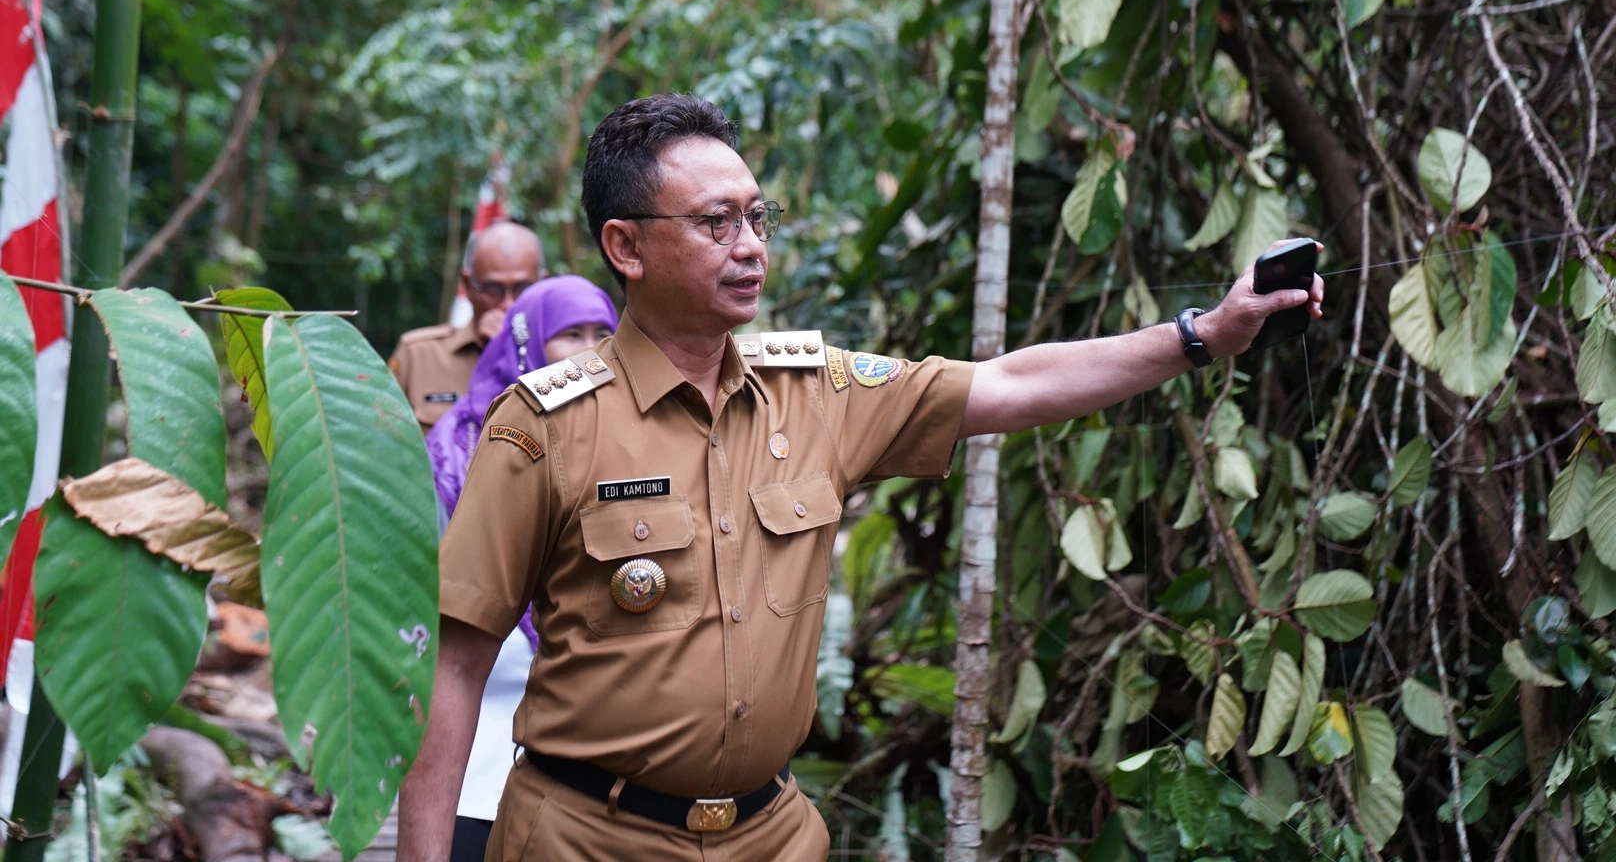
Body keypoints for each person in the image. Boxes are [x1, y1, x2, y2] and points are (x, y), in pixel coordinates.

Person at [398, 95, 1325, 862]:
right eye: (715, 222)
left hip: (771, 837)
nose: (750, 245)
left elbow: (1009, 384)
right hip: (587, 839)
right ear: (626, 247)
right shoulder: (546, 427)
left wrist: (1205, 334)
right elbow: (456, 666)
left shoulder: (820, 393)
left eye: (757, 217)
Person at [424, 275, 618, 862]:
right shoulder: (460, 446)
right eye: (570, 334)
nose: (588, 349)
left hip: (591, 732)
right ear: (528, 342)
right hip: (479, 717)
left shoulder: (631, 440)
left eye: (602, 333)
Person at [389, 222, 547, 432]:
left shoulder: (560, 357)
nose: (508, 304)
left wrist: (516, 350)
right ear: (467, 284)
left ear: (544, 283)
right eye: (493, 289)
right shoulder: (419, 355)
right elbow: (381, 439)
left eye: (523, 288)